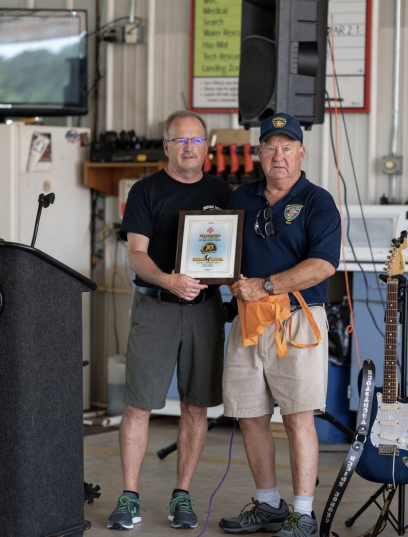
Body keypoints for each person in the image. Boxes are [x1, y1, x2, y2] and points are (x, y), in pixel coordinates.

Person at [108, 110, 232, 531]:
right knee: (138, 405)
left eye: (196, 141)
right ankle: (129, 497)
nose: (188, 148)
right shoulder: (146, 191)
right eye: (180, 140)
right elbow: (136, 254)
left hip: (205, 310)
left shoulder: (223, 191)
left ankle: (182, 495)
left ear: (206, 147)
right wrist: (169, 280)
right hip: (156, 307)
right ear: (166, 146)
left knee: (197, 407)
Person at [219, 113, 341, 537]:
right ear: (258, 153)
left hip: (297, 320)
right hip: (247, 321)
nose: (279, 156)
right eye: (270, 147)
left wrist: (266, 285)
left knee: (297, 417)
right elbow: (222, 254)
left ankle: (303, 513)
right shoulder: (241, 197)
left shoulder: (317, 201)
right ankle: (269, 505)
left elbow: (323, 265)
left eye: (287, 147)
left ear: (301, 153)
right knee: (250, 415)